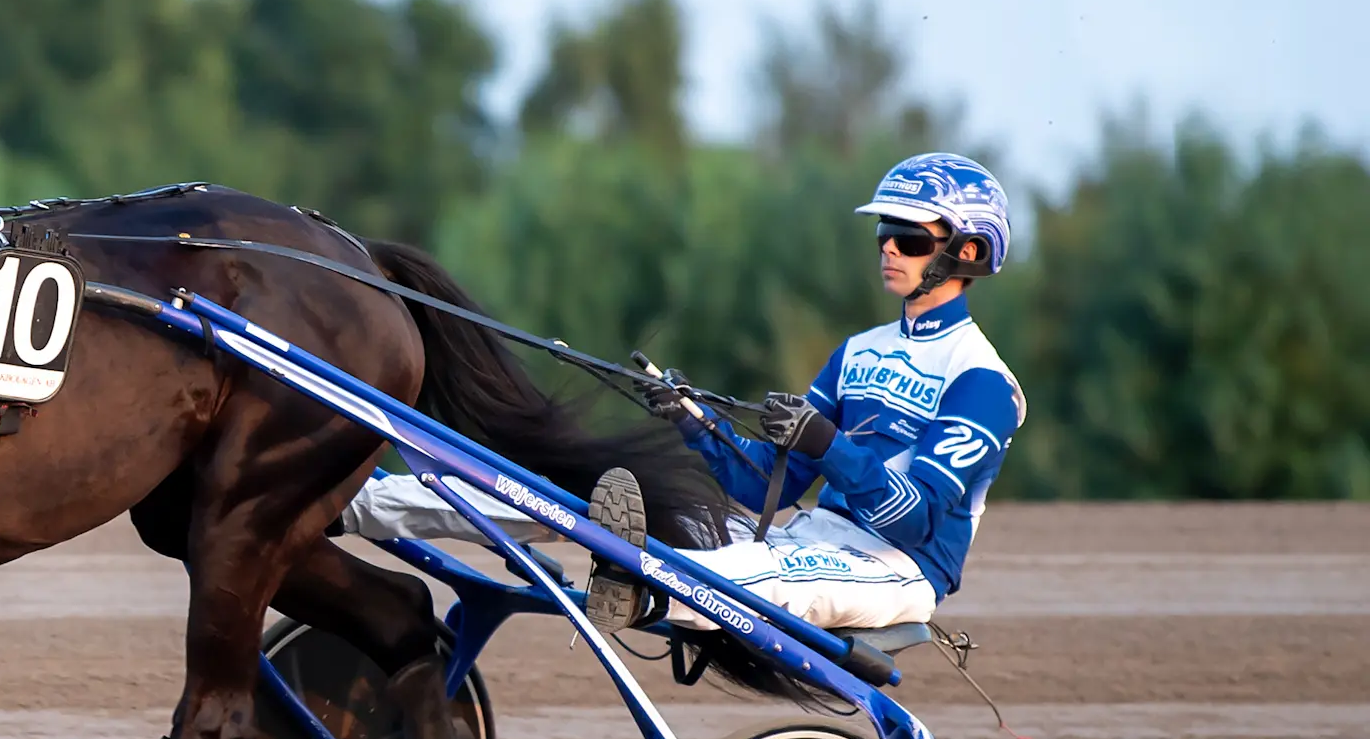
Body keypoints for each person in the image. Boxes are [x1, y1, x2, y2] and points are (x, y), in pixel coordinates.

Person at [338, 152, 1024, 635]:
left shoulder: (983, 382)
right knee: (573, 488)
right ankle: (353, 505)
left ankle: (641, 596)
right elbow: (766, 491)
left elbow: (919, 521)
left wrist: (828, 445)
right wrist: (695, 423)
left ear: (966, 252)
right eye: (884, 233)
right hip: (806, 534)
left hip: (893, 570)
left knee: (749, 567)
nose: (889, 249)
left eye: (907, 237)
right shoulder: (860, 352)